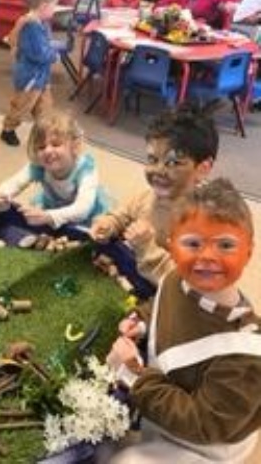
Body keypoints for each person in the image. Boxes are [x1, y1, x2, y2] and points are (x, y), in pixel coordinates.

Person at [106, 177, 261, 463]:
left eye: (226, 245)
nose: (208, 256)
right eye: (193, 243)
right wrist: (141, 322)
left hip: (204, 444)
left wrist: (133, 373)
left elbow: (204, 424)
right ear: (172, 246)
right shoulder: (175, 279)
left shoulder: (247, 355)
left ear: (248, 252)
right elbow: (161, 306)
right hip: (165, 411)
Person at [90, 105, 218, 286]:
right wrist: (108, 224)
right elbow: (123, 214)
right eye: (152, 159)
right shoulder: (145, 197)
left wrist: (146, 247)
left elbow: (187, 283)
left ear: (203, 169)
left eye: (173, 162)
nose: (158, 171)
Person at [0, 110, 109, 228]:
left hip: (84, 217)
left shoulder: (85, 169)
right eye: (41, 147)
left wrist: (49, 216)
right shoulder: (39, 165)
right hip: (51, 208)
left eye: (56, 144)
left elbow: (82, 208)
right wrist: (3, 194)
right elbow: (15, 182)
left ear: (75, 146)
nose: (47, 151)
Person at [0, 0, 58, 147]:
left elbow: (43, 45)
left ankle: (43, 134)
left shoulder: (39, 23)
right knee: (22, 105)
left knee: (45, 108)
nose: (54, 9)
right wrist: (54, 55)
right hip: (30, 78)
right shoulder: (31, 27)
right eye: (53, 5)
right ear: (44, 6)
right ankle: (8, 129)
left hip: (41, 77)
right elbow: (39, 54)